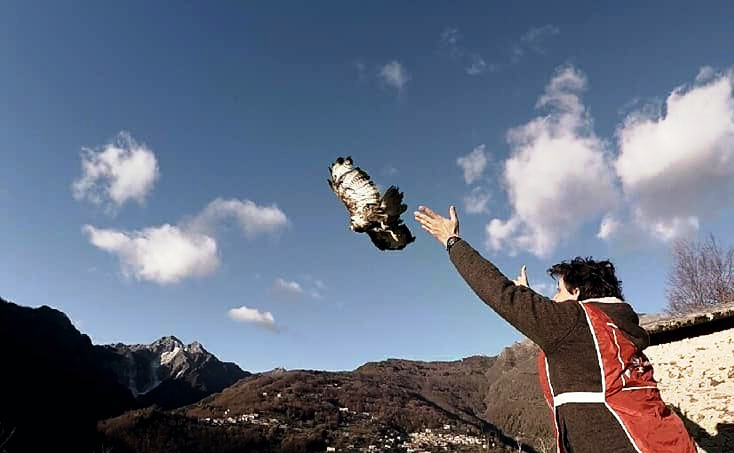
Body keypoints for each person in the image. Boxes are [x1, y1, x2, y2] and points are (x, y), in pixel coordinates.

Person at [413, 205, 699, 453]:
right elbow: (575, 356)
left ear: (575, 293)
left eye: (557, 291)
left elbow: (500, 293)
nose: (554, 299)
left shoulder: (575, 321)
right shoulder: (615, 326)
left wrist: (452, 241)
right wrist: (531, 302)